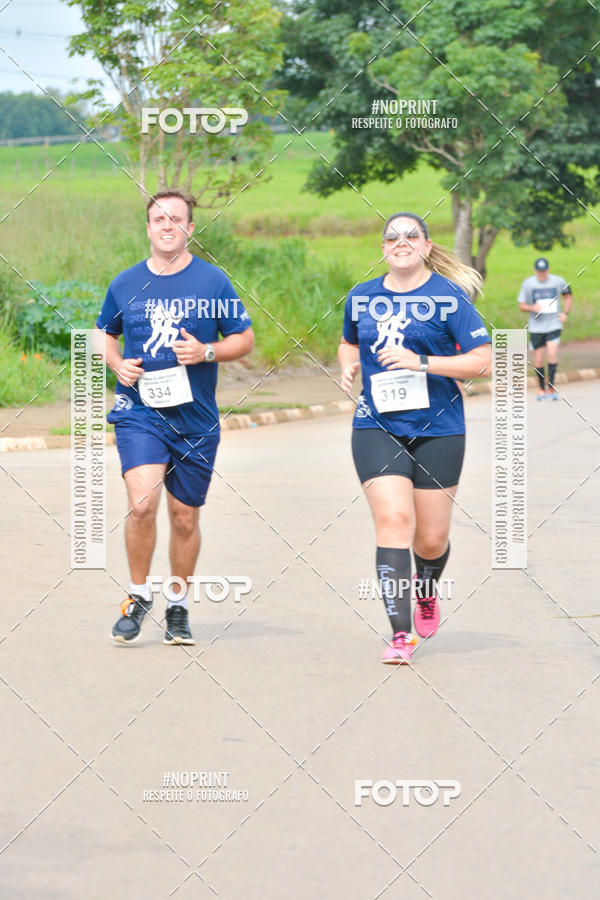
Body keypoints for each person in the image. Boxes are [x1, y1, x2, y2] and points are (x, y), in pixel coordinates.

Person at [94, 189, 254, 646]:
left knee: (184, 517)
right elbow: (104, 333)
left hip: (195, 419)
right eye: (159, 219)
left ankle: (178, 606)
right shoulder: (125, 283)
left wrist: (207, 352)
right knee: (143, 503)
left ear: (190, 228)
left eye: (176, 219)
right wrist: (116, 363)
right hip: (140, 412)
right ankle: (139, 596)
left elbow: (243, 338)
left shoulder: (212, 282)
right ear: (148, 228)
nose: (168, 225)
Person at [338, 212, 492, 664]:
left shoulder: (448, 297)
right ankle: (401, 634)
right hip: (377, 424)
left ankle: (426, 588)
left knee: (430, 540)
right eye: (392, 236)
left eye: (411, 235)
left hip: (439, 428)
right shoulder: (361, 296)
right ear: (383, 248)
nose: (400, 241)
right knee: (394, 520)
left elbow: (484, 360)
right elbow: (348, 341)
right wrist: (348, 364)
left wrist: (421, 362)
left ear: (426, 246)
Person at [517, 257, 573, 400]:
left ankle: (551, 387)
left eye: (544, 271)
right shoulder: (528, 284)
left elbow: (568, 296)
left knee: (552, 353)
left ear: (548, 269)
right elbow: (521, 305)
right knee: (539, 359)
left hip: (554, 324)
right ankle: (542, 388)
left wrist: (565, 313)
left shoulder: (558, 281)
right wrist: (532, 307)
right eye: (539, 271)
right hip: (536, 327)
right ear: (535, 270)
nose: (542, 274)